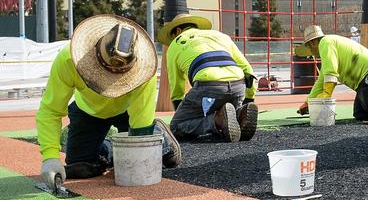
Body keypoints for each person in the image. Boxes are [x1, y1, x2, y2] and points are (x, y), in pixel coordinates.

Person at [37, 14, 181, 186]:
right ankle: (112, 148)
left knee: (144, 163)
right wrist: (50, 157)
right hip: (88, 110)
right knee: (81, 166)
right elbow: (51, 110)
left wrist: (139, 150)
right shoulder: (68, 59)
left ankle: (161, 138)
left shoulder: (145, 71)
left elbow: (140, 127)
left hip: (128, 111)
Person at [157, 13, 258, 142]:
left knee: (177, 127)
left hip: (208, 85)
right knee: (227, 109)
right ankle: (240, 115)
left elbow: (177, 85)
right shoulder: (220, 36)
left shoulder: (175, 44)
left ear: (177, 30)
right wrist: (249, 99)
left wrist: (180, 112)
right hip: (238, 84)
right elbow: (248, 70)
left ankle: (217, 121)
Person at [296, 25, 368, 122]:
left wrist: (326, 95)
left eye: (309, 48)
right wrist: (307, 102)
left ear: (312, 43)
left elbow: (331, 72)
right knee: (361, 114)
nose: (311, 53)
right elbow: (320, 82)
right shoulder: (329, 46)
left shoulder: (325, 43)